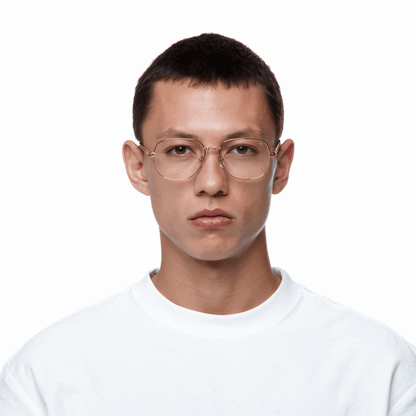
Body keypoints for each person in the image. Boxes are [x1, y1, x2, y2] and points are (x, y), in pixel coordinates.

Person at [1, 33, 415, 415]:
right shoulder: (48, 376)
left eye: (241, 149)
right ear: (138, 167)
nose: (212, 183)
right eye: (180, 149)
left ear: (281, 166)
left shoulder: (380, 370)